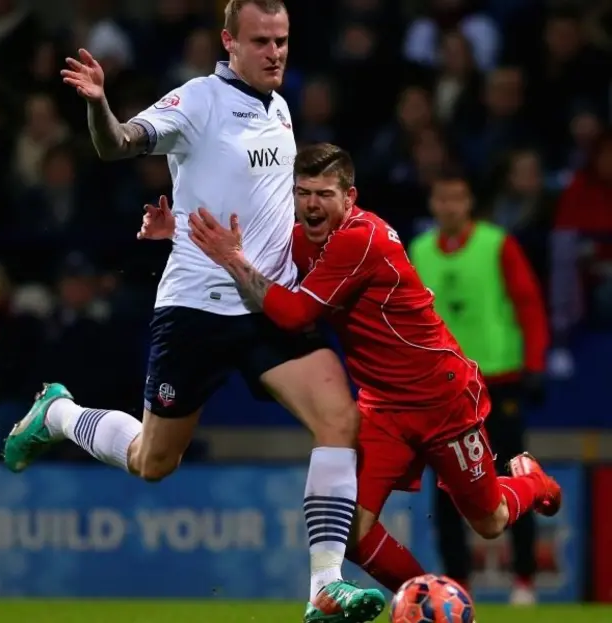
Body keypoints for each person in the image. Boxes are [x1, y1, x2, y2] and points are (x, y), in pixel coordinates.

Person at [2, 3, 385, 622]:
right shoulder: (199, 100)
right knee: (155, 462)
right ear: (229, 42)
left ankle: (324, 585)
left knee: (340, 420)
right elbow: (119, 144)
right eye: (261, 41)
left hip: (265, 301)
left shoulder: (280, 109)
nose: (276, 52)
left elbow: (243, 204)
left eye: (283, 40)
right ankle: (61, 412)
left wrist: (178, 222)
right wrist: (100, 104)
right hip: (196, 310)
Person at [139, 142, 562, 594]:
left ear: (350, 198)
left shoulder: (361, 238)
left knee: (490, 520)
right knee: (351, 533)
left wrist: (233, 258)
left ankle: (533, 483)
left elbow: (294, 314)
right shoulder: (300, 237)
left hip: (442, 399)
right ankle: (428, 599)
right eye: (303, 193)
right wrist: (181, 233)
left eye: (324, 194)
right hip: (383, 407)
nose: (312, 205)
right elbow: (253, 252)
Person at [409, 171, 549, 603]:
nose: (450, 206)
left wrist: (536, 363)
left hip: (497, 381)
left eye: (457, 198)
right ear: (433, 204)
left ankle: (523, 579)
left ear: (469, 203)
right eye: (442, 198)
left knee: (510, 475)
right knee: (448, 488)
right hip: (443, 388)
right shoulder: (417, 250)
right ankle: (458, 583)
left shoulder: (497, 244)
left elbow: (528, 303)